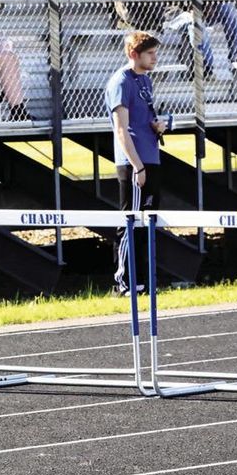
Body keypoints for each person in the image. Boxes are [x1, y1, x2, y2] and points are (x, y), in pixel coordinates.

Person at [105, 30, 167, 296]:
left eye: (155, 53)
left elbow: (144, 119)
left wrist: (159, 126)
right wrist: (137, 166)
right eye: (150, 54)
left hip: (151, 157)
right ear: (134, 54)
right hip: (135, 163)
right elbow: (121, 129)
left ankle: (143, 281)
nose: (155, 59)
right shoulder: (121, 81)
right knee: (130, 222)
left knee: (147, 223)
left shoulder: (146, 82)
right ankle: (124, 282)